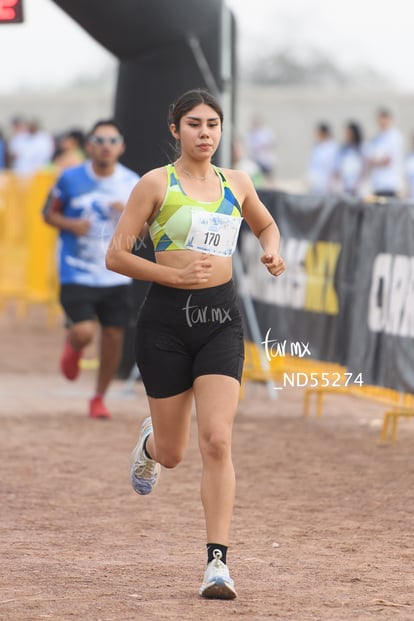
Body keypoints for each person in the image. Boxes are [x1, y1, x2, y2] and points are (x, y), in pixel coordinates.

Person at [105, 89, 286, 599]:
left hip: (220, 321)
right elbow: (116, 255)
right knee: (174, 453)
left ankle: (217, 565)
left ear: (221, 130)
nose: (205, 133)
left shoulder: (237, 182)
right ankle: (150, 444)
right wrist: (172, 278)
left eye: (213, 124)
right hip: (165, 324)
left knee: (217, 440)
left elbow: (266, 224)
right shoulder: (154, 184)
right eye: (194, 124)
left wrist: (272, 252)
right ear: (175, 130)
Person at [43, 119, 140, 419]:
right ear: (88, 146)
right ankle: (74, 345)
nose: (106, 147)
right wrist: (71, 224)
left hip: (116, 272)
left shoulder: (133, 182)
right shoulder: (69, 179)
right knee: (85, 331)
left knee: (113, 337)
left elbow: (148, 231)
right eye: (99, 140)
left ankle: (99, 397)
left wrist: (130, 216)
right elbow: (47, 214)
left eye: (112, 141)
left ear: (121, 146)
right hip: (76, 270)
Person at [365, 107, 404, 198]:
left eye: (385, 118)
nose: (382, 121)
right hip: (377, 185)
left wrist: (376, 161)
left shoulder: (395, 136)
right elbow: (369, 160)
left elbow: (388, 160)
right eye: (380, 118)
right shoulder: (376, 138)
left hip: (390, 185)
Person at [333, 121, 366, 196]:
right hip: (345, 187)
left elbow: (364, 167)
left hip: (358, 187)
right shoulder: (343, 150)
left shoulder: (361, 148)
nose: (347, 135)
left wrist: (359, 184)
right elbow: (337, 168)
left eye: (349, 133)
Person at [307, 122, 339, 195]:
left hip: (327, 185)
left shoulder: (333, 147)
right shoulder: (316, 147)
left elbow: (334, 167)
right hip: (315, 184)